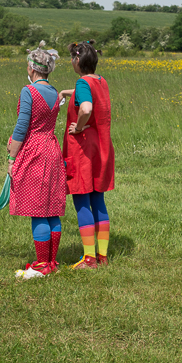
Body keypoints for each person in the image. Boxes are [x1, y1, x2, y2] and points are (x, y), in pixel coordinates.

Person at [8, 42, 66, 279]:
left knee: (38, 210)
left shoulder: (28, 91)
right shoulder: (54, 92)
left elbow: (22, 126)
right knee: (52, 209)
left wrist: (11, 157)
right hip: (52, 150)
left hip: (35, 151)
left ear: (32, 68)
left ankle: (41, 265)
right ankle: (51, 262)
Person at [59, 40, 115, 270]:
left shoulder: (82, 83)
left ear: (77, 60)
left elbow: (86, 107)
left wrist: (79, 126)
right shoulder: (100, 81)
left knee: (81, 199)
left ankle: (89, 259)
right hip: (101, 148)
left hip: (83, 149)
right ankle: (102, 256)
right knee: (98, 199)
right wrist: (66, 92)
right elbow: (89, 95)